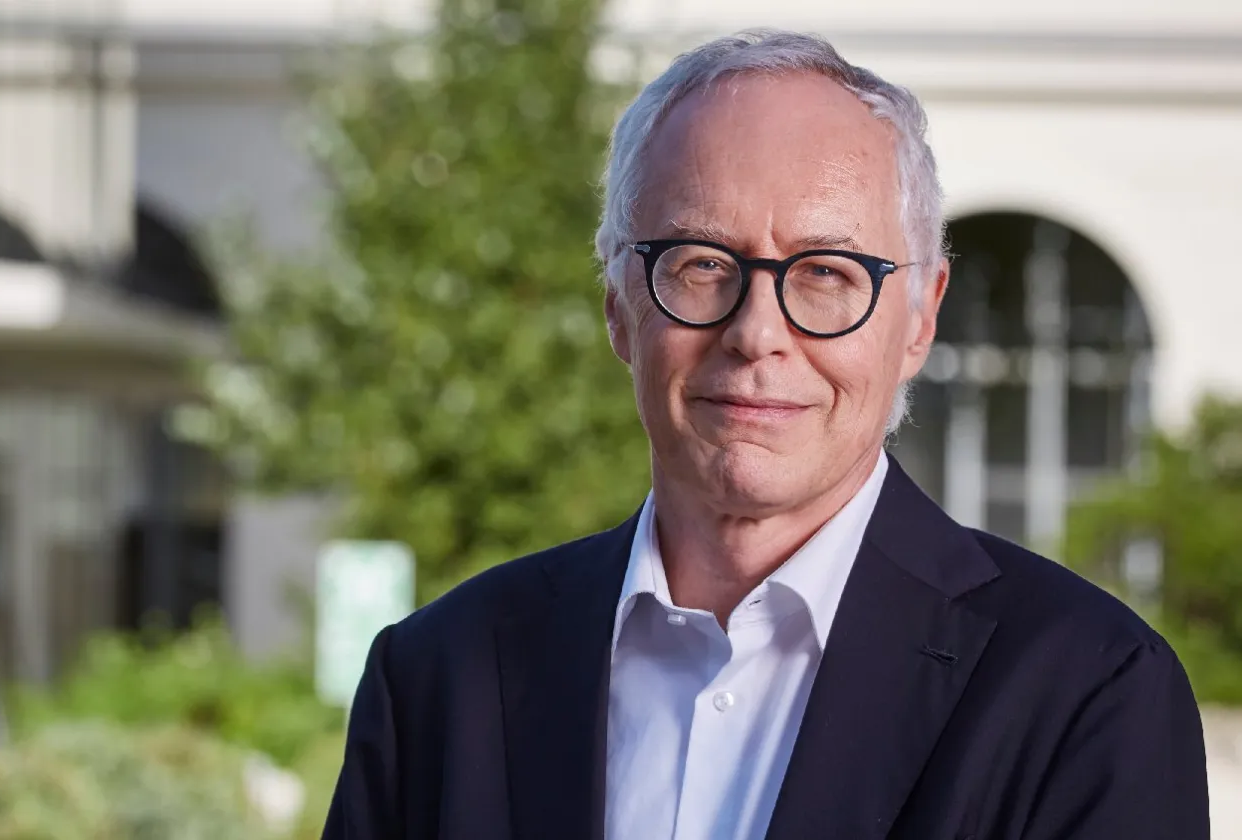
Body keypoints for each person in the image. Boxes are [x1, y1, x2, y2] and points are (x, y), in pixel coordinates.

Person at [323, 29, 1210, 840]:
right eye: (703, 264)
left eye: (827, 272)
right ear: (618, 308)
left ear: (919, 318)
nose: (758, 333)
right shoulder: (438, 678)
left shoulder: (1087, 692)